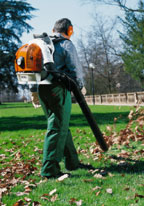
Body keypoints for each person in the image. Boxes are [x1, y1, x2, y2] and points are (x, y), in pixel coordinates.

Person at [36, 18, 86, 178]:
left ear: (53, 30)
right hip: (57, 88)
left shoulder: (41, 44)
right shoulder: (66, 44)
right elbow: (74, 67)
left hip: (41, 88)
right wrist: (80, 85)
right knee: (57, 127)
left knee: (60, 124)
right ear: (70, 30)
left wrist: (32, 91)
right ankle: (50, 170)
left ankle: (73, 162)